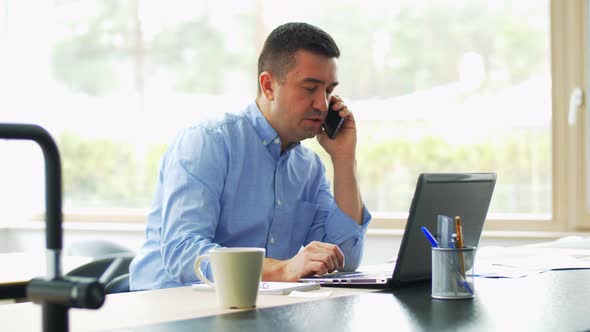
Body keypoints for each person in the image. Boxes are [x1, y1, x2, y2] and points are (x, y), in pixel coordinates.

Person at [129, 22, 372, 290]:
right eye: (310, 88)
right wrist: (282, 268)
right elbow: (184, 253)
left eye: (328, 91)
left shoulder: (309, 168)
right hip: (169, 308)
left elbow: (345, 258)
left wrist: (344, 158)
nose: (322, 105)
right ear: (268, 85)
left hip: (251, 310)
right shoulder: (207, 141)